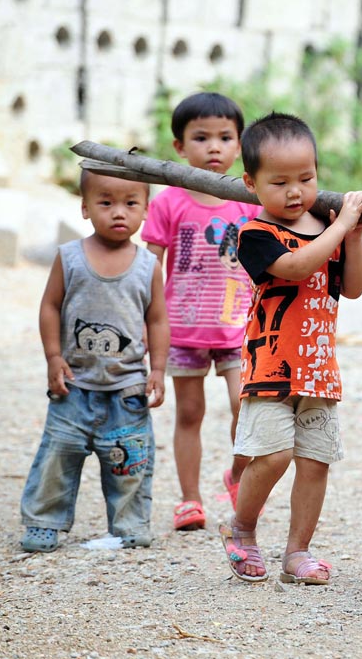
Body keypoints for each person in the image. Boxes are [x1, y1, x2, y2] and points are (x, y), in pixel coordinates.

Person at [218, 112, 362, 584]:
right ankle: (241, 529)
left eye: (306, 178)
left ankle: (297, 551)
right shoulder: (254, 235)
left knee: (315, 460)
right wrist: (340, 225)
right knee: (274, 454)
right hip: (270, 367)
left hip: (319, 369)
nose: (295, 192)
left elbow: (354, 287)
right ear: (251, 182)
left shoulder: (329, 230)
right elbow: (298, 267)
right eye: (279, 181)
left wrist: (356, 237)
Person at [20, 170, 168, 552]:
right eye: (106, 203)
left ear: (146, 210)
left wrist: (159, 369)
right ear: (85, 208)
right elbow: (50, 307)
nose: (118, 212)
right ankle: (43, 522)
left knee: (129, 461)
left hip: (127, 389)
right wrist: (53, 357)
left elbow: (157, 319)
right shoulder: (69, 257)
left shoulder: (148, 265)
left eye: (130, 203)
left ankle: (130, 524)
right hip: (74, 386)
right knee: (58, 455)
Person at [141, 92, 261, 531]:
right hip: (182, 328)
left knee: (244, 407)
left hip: (238, 327)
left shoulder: (250, 201)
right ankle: (190, 499)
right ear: (179, 147)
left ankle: (237, 477)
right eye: (201, 137)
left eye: (225, 137)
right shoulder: (168, 202)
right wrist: (144, 318)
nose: (214, 147)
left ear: (240, 143)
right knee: (189, 414)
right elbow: (149, 264)